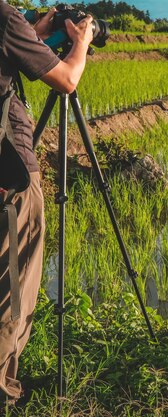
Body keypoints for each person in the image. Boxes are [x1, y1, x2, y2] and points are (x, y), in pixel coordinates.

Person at [0, 1, 94, 404]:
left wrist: (33, 33)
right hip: (11, 177)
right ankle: (4, 390)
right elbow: (67, 80)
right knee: (12, 286)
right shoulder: (2, 18)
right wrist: (82, 42)